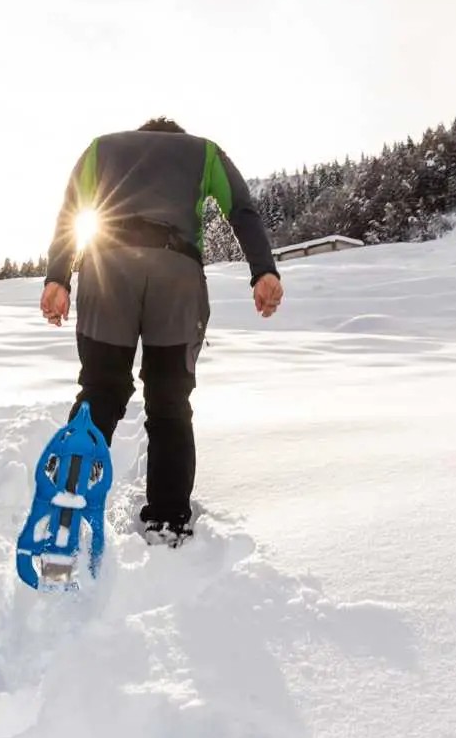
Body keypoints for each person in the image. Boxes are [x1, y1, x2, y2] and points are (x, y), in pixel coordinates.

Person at [39, 117, 284, 545]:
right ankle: (168, 523)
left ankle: (68, 503)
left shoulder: (102, 148)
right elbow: (242, 209)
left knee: (101, 389)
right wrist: (263, 270)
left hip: (107, 267)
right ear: (177, 136)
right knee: (169, 402)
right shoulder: (202, 151)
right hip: (176, 274)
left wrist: (57, 278)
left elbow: (71, 213)